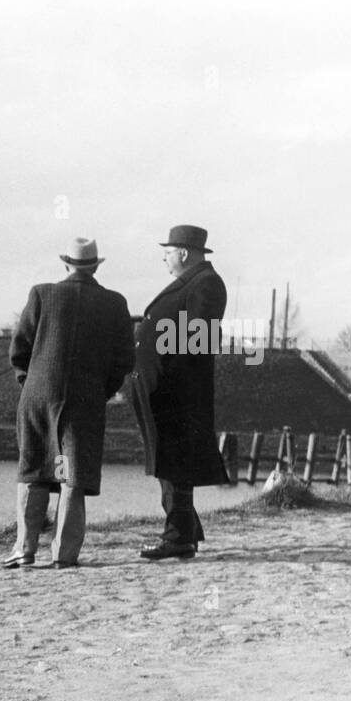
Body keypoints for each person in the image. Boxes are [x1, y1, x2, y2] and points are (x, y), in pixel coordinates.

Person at [2, 238, 135, 569]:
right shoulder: (115, 303)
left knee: (34, 467)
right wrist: (100, 391)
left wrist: (29, 382)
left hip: (37, 396)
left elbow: (20, 348)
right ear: (95, 266)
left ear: (66, 265)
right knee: (71, 474)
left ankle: (24, 548)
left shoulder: (41, 294)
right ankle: (64, 554)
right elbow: (124, 360)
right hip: (84, 401)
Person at [127, 225, 229, 560]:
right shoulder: (196, 282)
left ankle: (178, 537)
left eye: (168, 252)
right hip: (165, 389)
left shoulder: (207, 284)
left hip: (176, 393)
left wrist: (165, 376)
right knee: (171, 464)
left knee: (173, 465)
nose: (164, 257)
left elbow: (198, 342)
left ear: (183, 253)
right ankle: (185, 532)